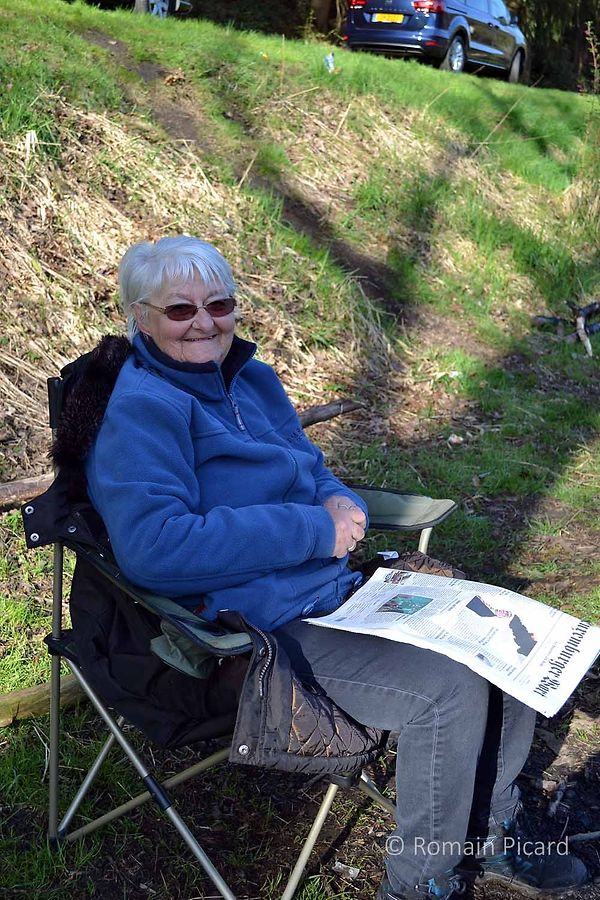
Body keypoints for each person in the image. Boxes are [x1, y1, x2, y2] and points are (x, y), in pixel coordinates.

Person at [85, 236, 588, 900]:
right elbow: (153, 547)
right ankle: (421, 883)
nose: (204, 322)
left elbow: (311, 470)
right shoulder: (143, 409)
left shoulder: (251, 380)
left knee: (503, 641)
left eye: (219, 304)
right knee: (447, 688)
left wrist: (341, 504)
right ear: (139, 316)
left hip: (337, 592)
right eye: (180, 310)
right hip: (252, 631)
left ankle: (489, 833)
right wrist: (312, 530)